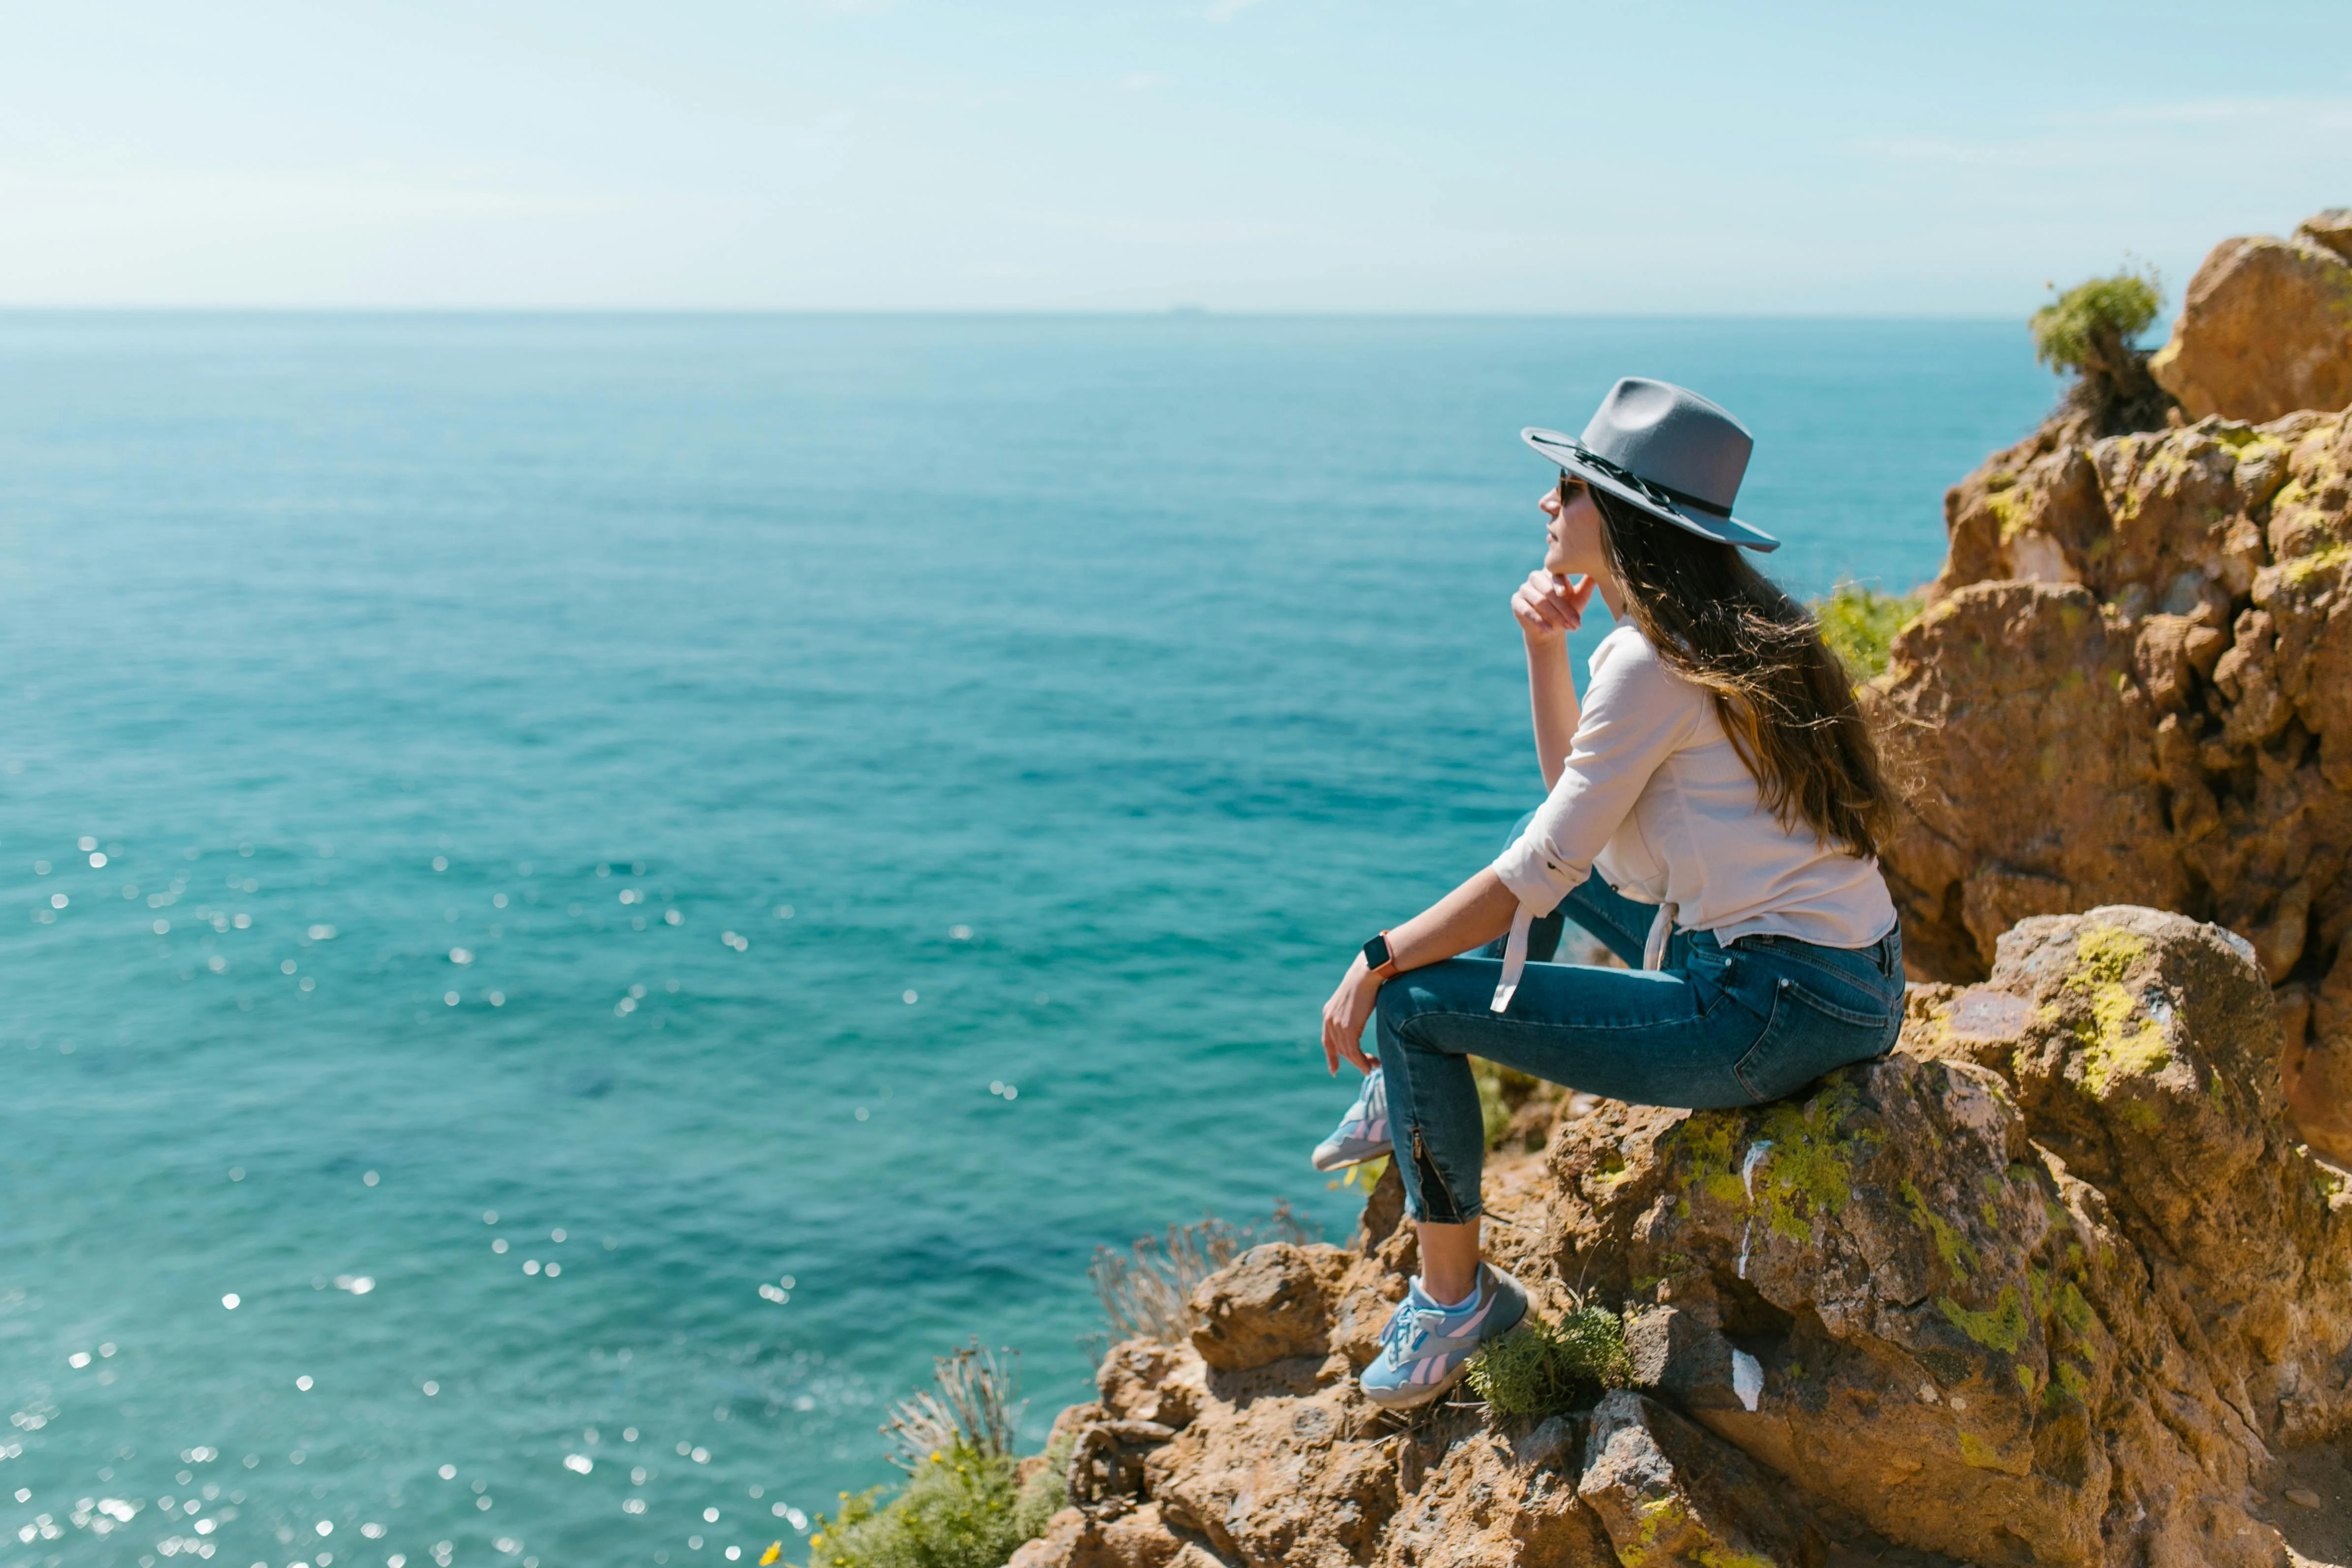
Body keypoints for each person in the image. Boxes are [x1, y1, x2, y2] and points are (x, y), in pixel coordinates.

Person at [1314, 378, 1903, 1411]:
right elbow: (1565, 826)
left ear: (1623, 514)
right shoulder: (1732, 627)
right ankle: (1404, 1097)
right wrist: (1547, 651)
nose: (1548, 505)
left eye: (1568, 487)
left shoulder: (1650, 660)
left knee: (1412, 1007)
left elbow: (1542, 874)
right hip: (1850, 983)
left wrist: (1378, 957)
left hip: (1767, 1009)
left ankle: (1456, 1301)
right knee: (1516, 862)